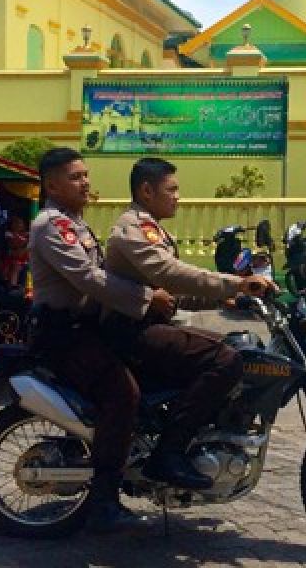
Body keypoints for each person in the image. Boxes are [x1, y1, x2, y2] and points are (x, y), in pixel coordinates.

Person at [104, 157, 274, 491]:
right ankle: (169, 453)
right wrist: (235, 283)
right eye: (173, 189)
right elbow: (170, 274)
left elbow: (171, 292)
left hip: (147, 324)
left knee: (234, 346)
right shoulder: (134, 227)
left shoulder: (149, 226)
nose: (178, 196)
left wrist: (227, 298)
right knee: (225, 360)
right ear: (147, 191)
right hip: (131, 330)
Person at [29, 147, 163, 534]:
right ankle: (104, 501)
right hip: (64, 335)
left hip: (87, 328)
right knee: (124, 394)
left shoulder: (75, 223)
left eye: (86, 175)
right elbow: (89, 279)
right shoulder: (52, 226)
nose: (85, 182)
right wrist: (145, 299)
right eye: (76, 177)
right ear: (52, 184)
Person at [2, 215, 30, 288]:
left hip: (25, 258)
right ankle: (12, 286)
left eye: (19, 223)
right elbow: (13, 245)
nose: (17, 225)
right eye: (14, 223)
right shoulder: (9, 234)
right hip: (13, 258)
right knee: (15, 267)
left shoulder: (27, 234)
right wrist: (24, 242)